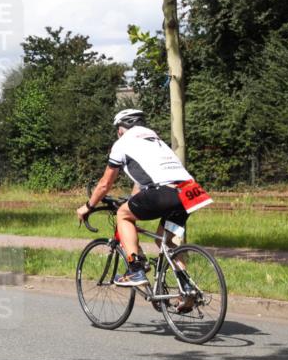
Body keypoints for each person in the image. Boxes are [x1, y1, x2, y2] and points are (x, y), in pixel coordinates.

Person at [76, 109, 210, 288]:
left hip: (164, 193)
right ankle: (187, 289)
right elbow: (142, 180)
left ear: (124, 127)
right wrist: (131, 201)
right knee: (165, 241)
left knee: (123, 215)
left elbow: (104, 184)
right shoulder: (155, 140)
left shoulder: (122, 143)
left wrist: (88, 206)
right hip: (190, 193)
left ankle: (135, 270)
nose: (118, 133)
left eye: (118, 129)